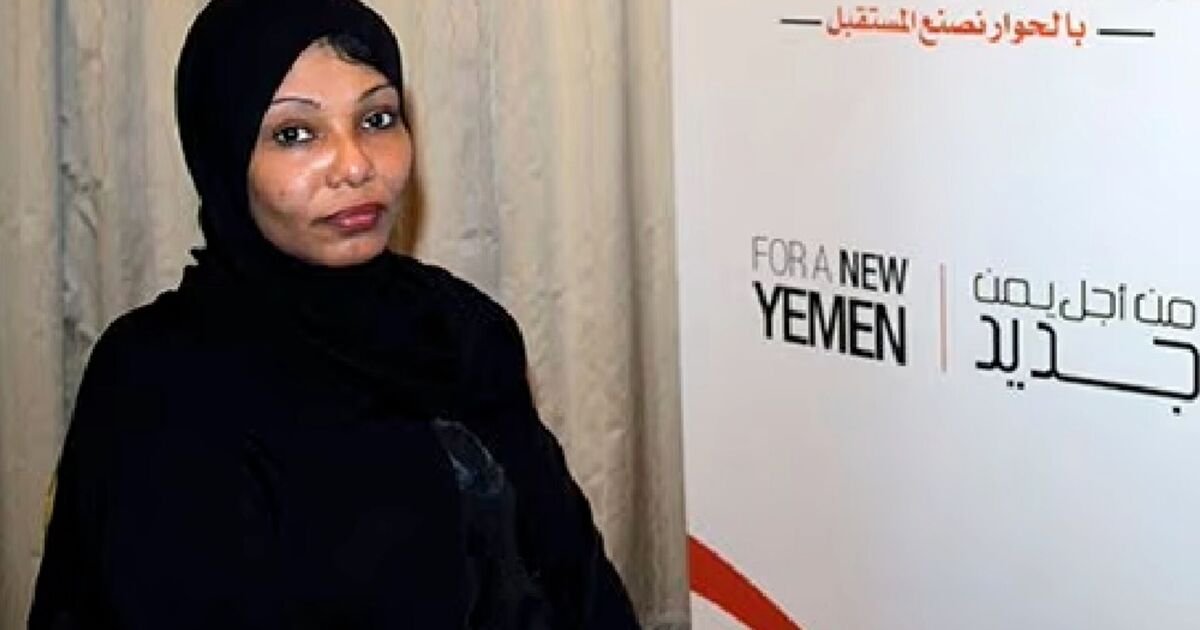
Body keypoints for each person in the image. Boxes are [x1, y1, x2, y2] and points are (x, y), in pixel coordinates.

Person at [28, 0, 640, 627]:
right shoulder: (158, 383)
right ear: (223, 155)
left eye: (377, 119)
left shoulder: (463, 329)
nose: (355, 166)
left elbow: (579, 582)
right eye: (295, 134)